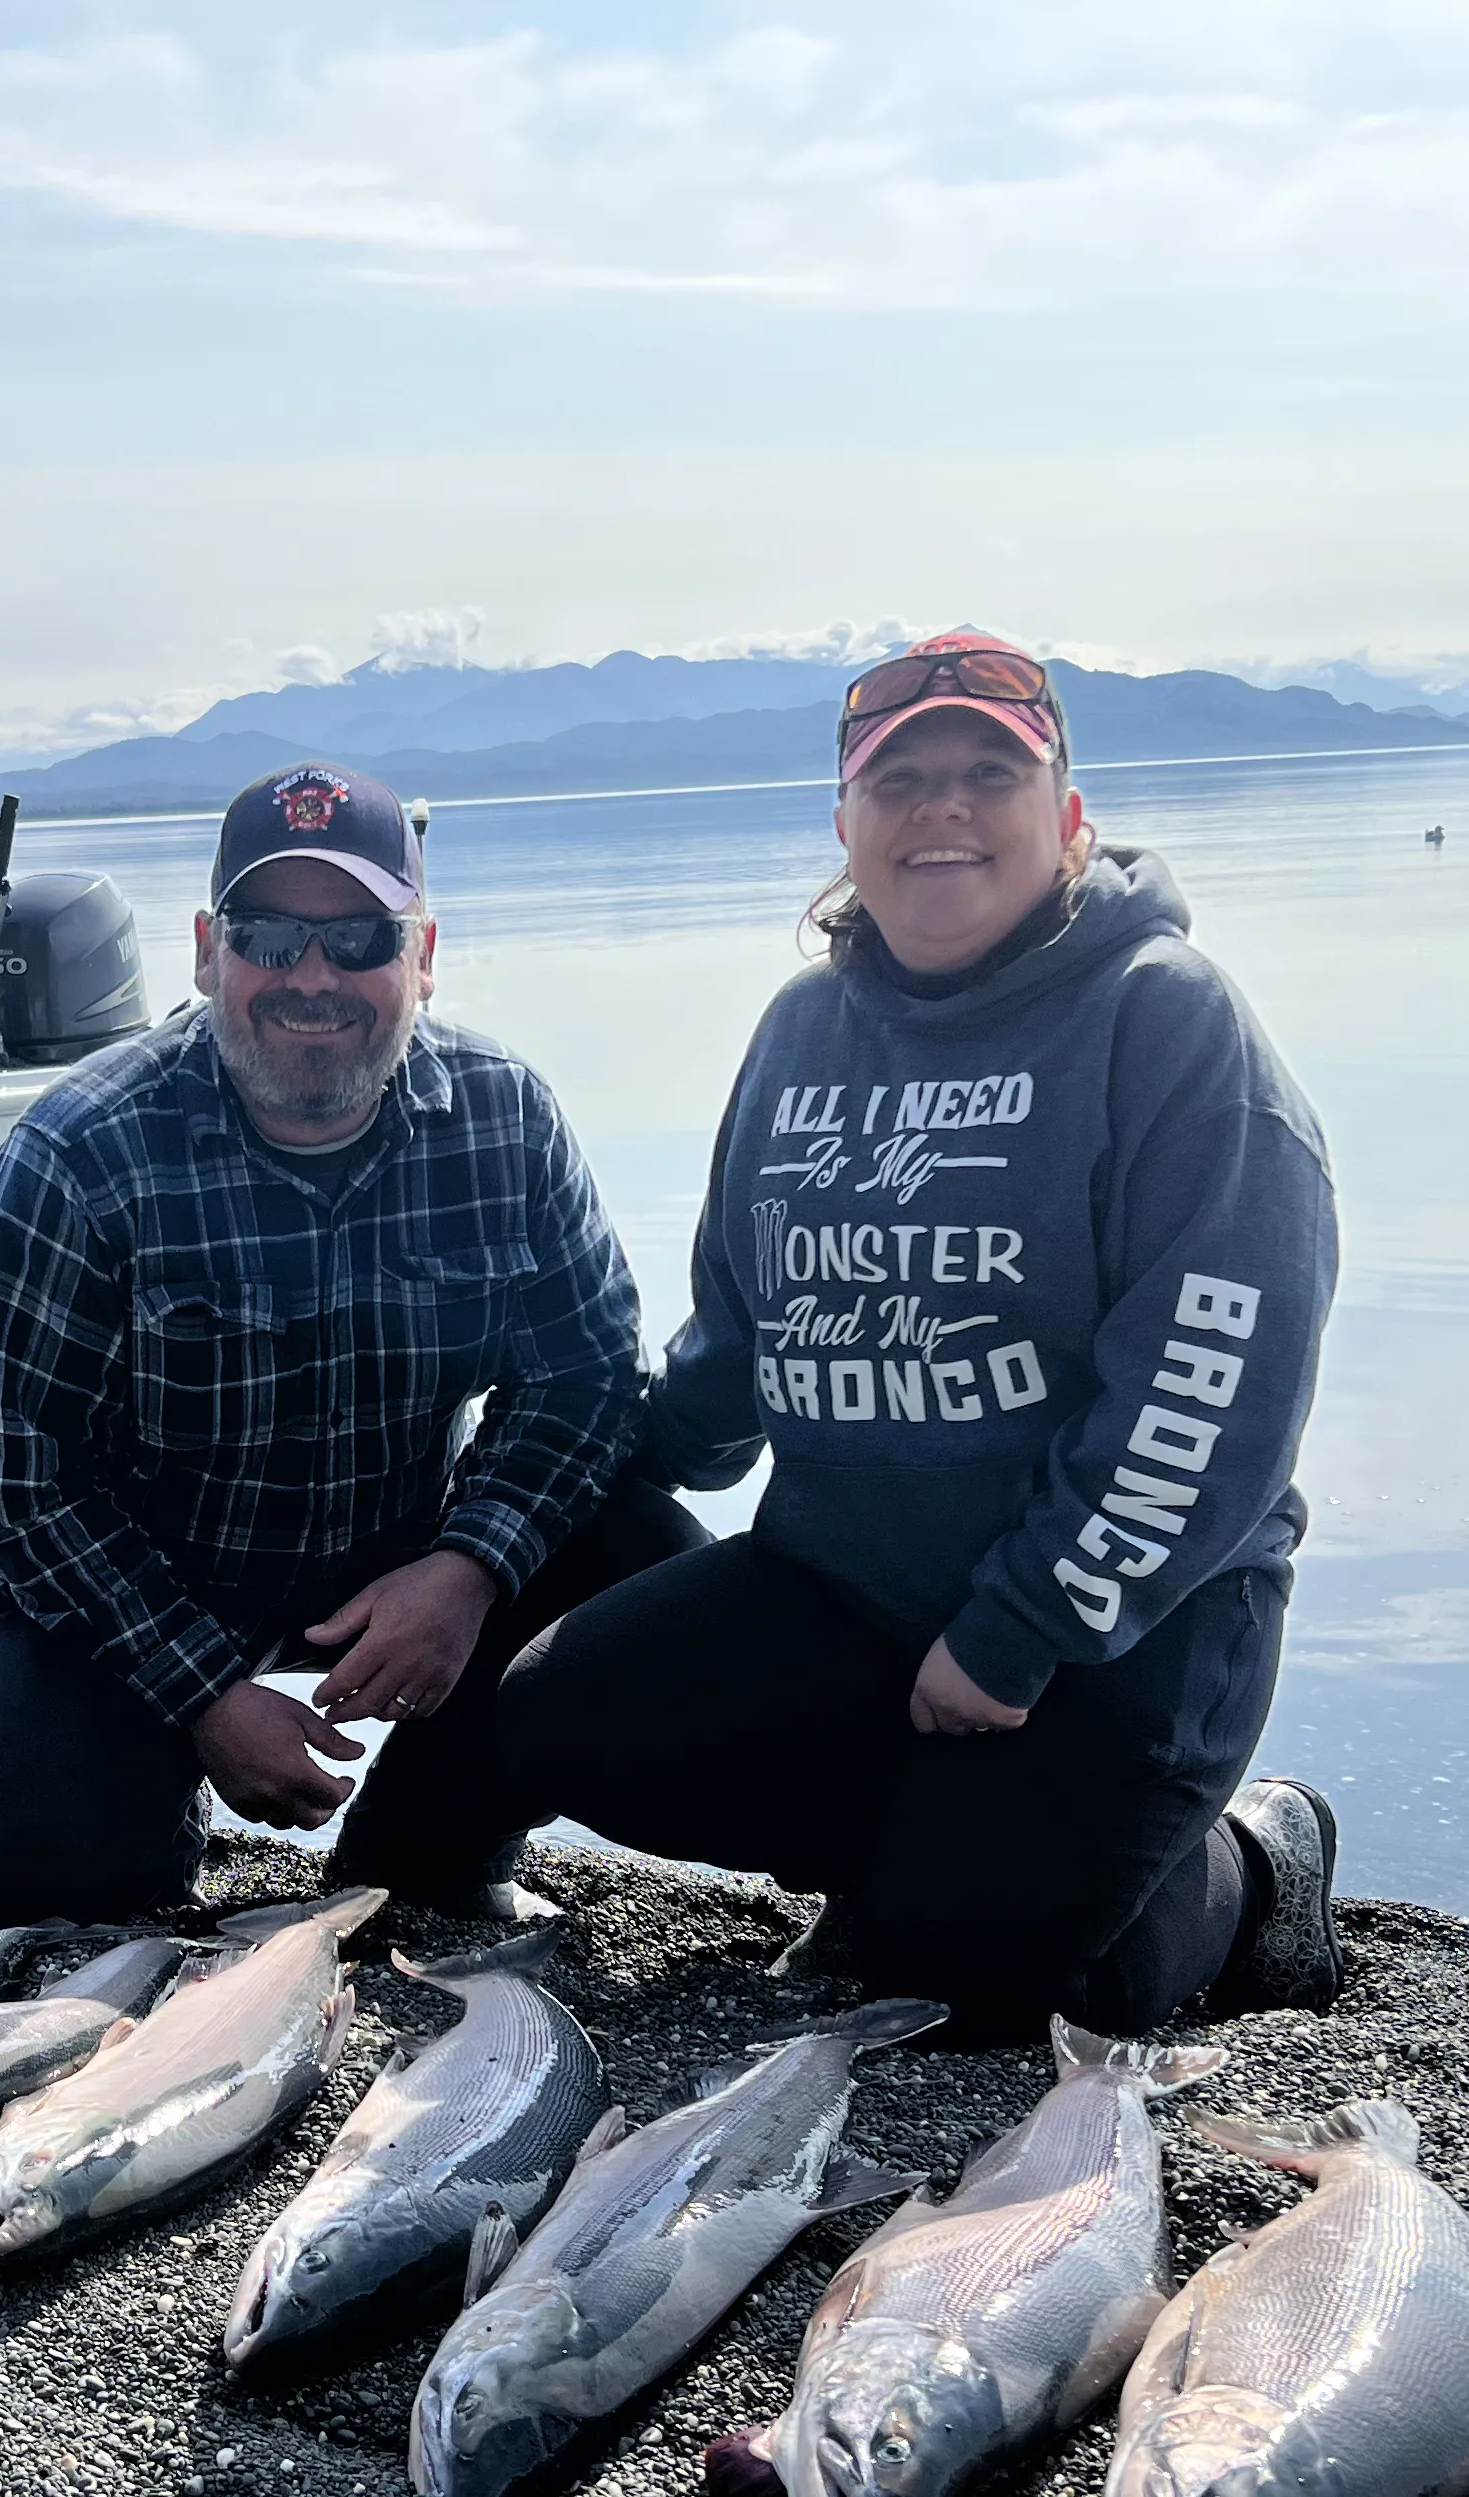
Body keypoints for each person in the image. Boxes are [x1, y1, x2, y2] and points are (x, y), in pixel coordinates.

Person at [497, 628, 1344, 2034]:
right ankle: (931, 1862)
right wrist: (600, 1463)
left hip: (1122, 1640)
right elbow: (740, 1333)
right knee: (557, 1716)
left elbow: (1205, 1392)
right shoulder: (800, 1031)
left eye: (987, 774)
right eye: (901, 782)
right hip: (856, 1596)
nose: (942, 809)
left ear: (1066, 817)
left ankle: (1252, 1866)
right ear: (847, 824)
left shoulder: (1165, 1021)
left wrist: (1018, 1629)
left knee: (975, 1992)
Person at [0, 761, 702, 1925]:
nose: (311, 977)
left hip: (391, 1559)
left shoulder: (507, 1118)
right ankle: (142, 1829)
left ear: (423, 958)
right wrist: (205, 1695)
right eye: (269, 935)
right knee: (44, 1863)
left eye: (358, 940)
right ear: (206, 951)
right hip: (142, 1588)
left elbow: (586, 1378)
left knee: (652, 1561)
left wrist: (466, 1570)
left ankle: (427, 1841)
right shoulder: (78, 1151)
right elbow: (24, 1488)